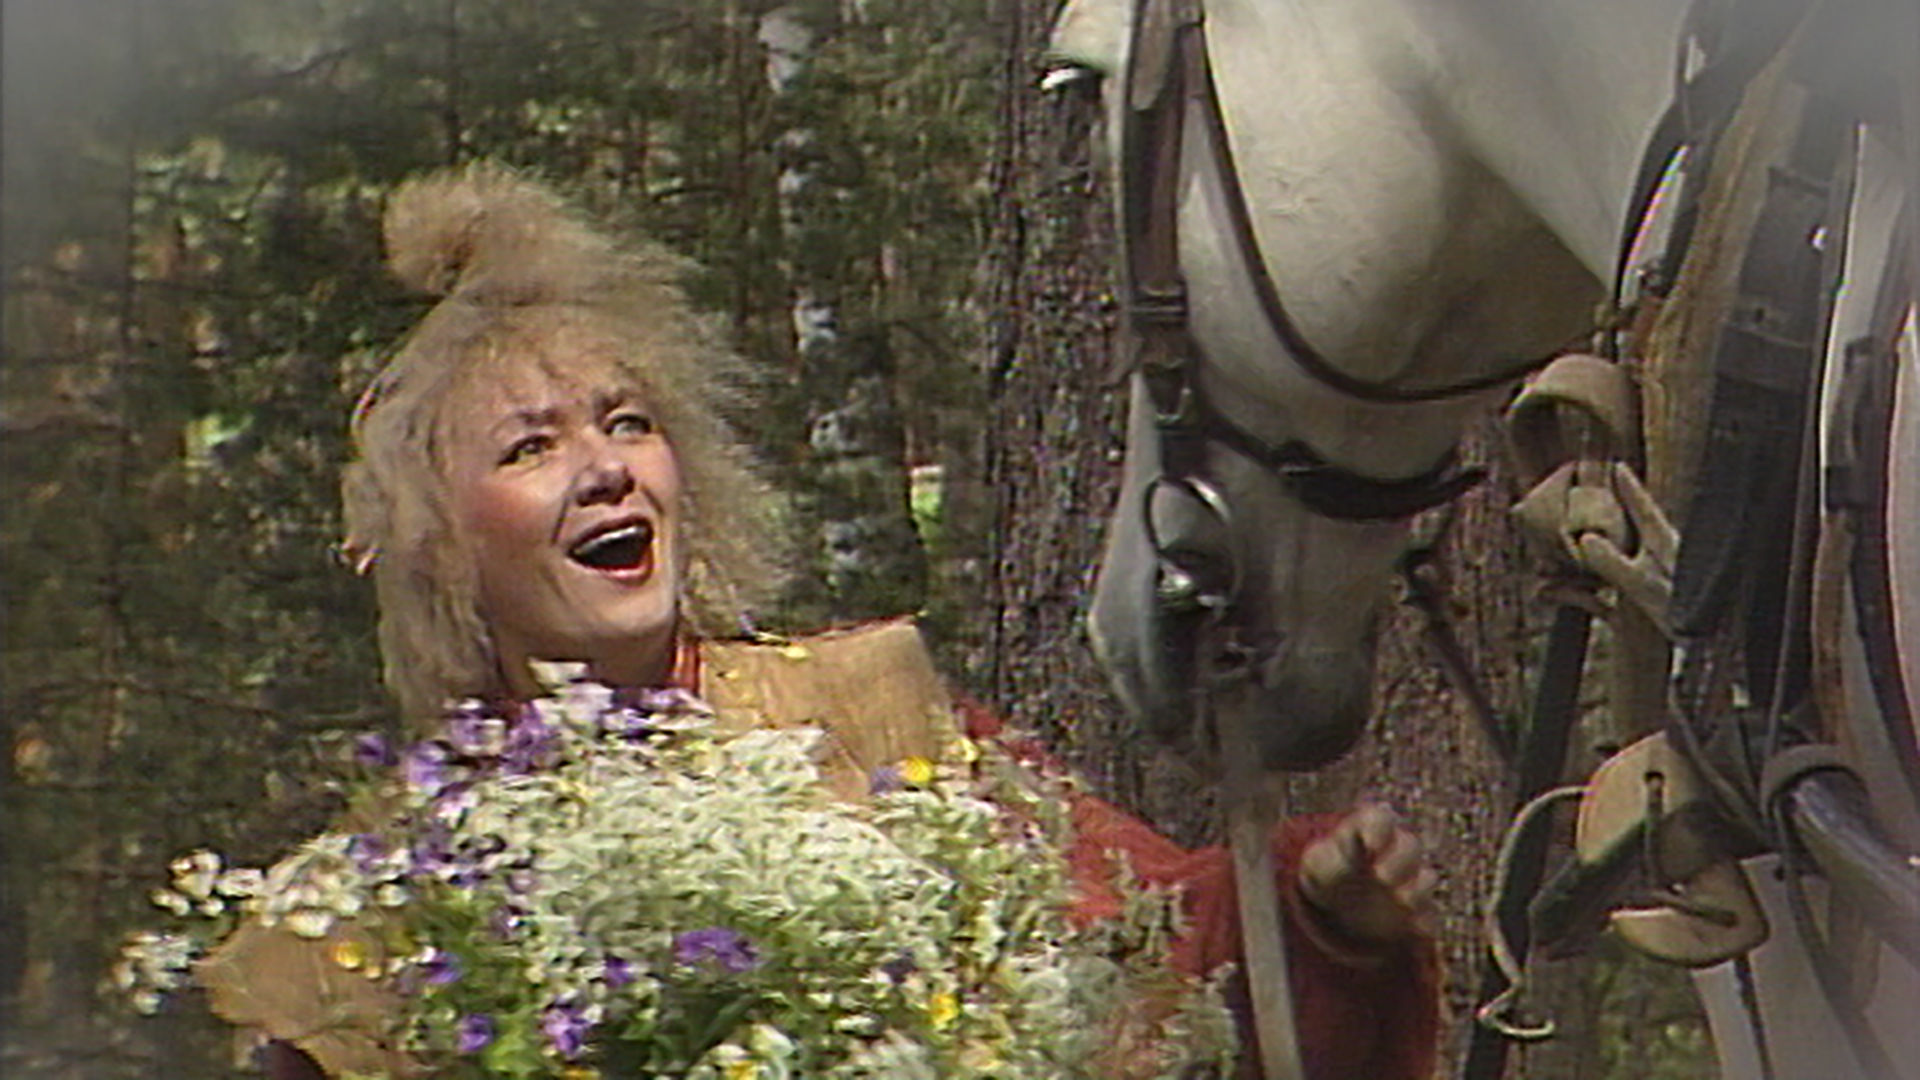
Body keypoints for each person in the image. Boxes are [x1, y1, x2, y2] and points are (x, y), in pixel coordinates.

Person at [253, 163, 1438, 1079]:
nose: (606, 470)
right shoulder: (378, 894)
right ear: (438, 543)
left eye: (628, 422)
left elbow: (1150, 957)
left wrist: (1318, 918)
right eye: (530, 448)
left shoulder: (871, 709)